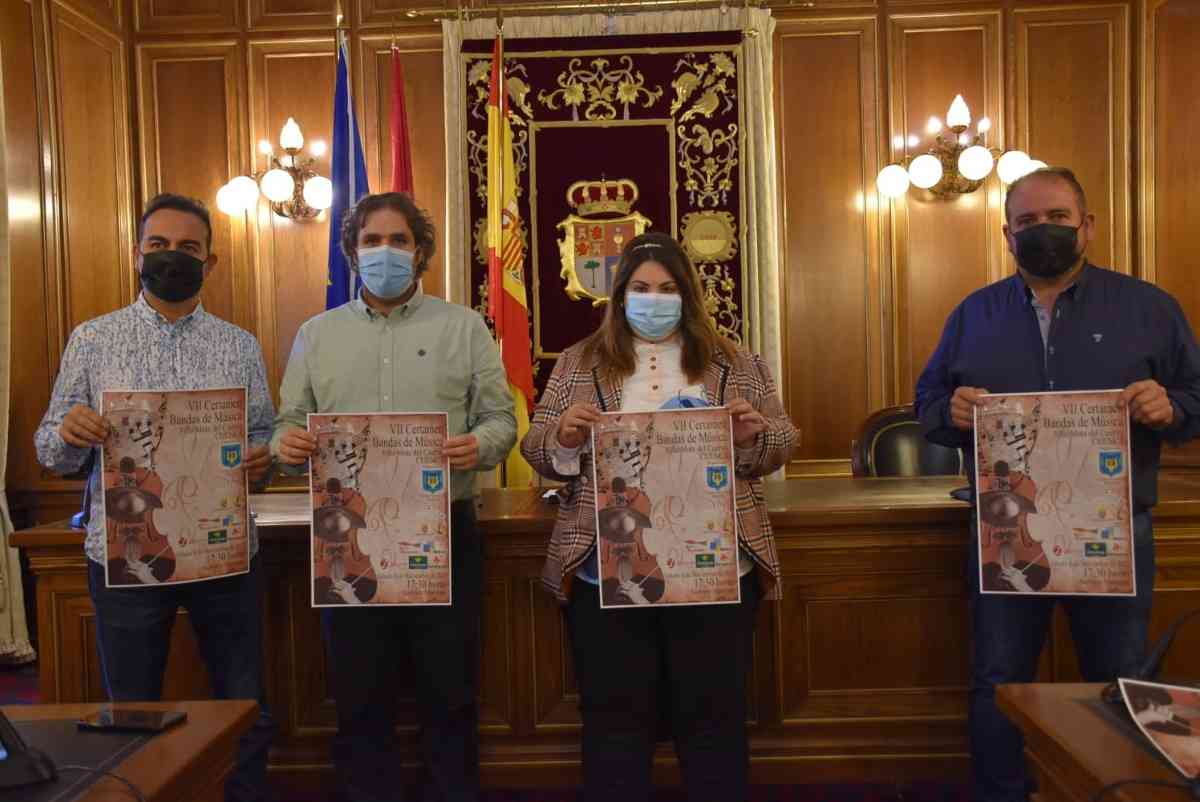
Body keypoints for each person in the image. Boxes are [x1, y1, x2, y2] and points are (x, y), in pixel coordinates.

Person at [915, 167, 1200, 802]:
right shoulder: (974, 314)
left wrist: (1171, 407)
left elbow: (1195, 398)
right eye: (1027, 222)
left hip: (1115, 530)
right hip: (1005, 533)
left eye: (1057, 219)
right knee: (998, 678)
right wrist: (949, 412)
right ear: (1007, 234)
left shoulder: (1149, 307)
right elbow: (927, 402)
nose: (1042, 230)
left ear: (1087, 226)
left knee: (1122, 679)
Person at [521, 231, 798, 802]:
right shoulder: (578, 361)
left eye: (668, 288)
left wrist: (752, 436)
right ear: (621, 295)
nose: (654, 299)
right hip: (608, 568)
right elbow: (536, 447)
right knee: (614, 717)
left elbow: (783, 440)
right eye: (642, 288)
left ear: (688, 295)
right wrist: (564, 438)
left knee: (714, 715)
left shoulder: (735, 360)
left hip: (715, 567)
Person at [271, 192, 516, 802]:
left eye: (398, 241)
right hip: (345, 538)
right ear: (353, 252)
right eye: (372, 241)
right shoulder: (316, 335)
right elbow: (286, 426)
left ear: (421, 250)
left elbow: (500, 420)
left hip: (443, 530)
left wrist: (479, 446)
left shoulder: (464, 327)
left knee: (449, 694)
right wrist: (288, 445)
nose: (385, 252)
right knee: (360, 698)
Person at [34, 193, 277, 802]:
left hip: (223, 555)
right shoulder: (93, 340)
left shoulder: (239, 344)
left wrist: (263, 457)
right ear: (137, 255)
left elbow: (263, 439)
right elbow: (49, 450)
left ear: (210, 262)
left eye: (188, 248)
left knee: (244, 701)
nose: (173, 257)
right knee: (132, 707)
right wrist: (69, 433)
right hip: (125, 558)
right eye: (159, 245)